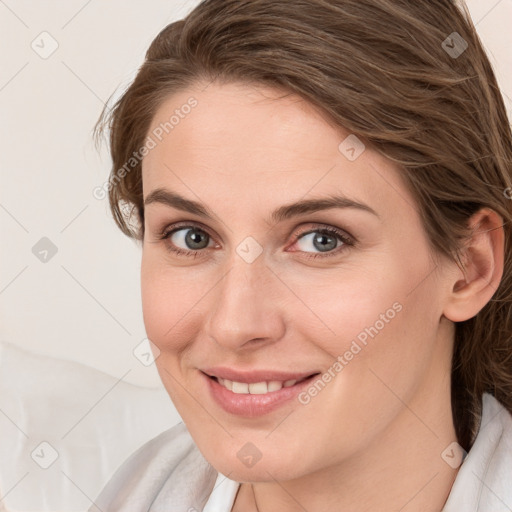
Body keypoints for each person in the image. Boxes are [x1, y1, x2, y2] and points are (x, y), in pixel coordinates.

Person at [89, 0, 512, 510]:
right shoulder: (132, 490)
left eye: (321, 240)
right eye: (191, 237)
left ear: (470, 267)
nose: (235, 323)